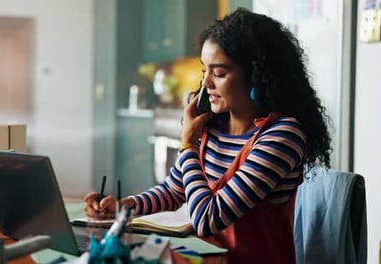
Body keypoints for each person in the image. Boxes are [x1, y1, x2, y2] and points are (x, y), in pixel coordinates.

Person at [84, 7, 331, 263]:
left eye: (220, 73)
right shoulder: (212, 128)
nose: (206, 84)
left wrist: (187, 144)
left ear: (257, 76)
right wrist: (123, 207)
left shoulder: (282, 136)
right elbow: (173, 190)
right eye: (205, 70)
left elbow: (206, 219)